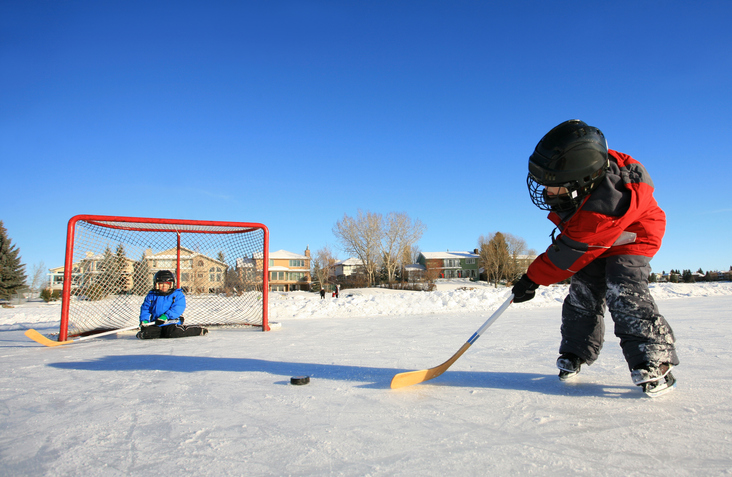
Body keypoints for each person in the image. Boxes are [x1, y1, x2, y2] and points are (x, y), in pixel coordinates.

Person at [511, 119, 679, 397]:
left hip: (632, 238)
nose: (546, 193)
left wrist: (532, 279)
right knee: (583, 289)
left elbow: (567, 254)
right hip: (595, 240)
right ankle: (575, 352)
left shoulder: (601, 210)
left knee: (622, 287)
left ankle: (653, 360)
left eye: (555, 187)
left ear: (583, 181)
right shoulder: (593, 175)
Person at [137, 270, 208, 339]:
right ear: (156, 284)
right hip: (156, 322)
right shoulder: (152, 295)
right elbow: (145, 308)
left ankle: (197, 330)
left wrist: (166, 316)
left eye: (167, 284)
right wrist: (144, 320)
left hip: (171, 321)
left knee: (173, 332)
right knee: (148, 333)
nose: (164, 286)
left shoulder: (177, 294)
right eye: (161, 284)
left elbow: (178, 308)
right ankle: (149, 333)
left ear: (172, 284)